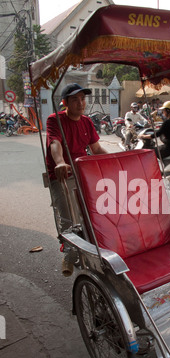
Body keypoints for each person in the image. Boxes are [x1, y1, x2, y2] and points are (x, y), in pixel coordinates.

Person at [46, 83, 107, 276]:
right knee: (67, 216)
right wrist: (60, 162)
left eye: (82, 99)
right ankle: (69, 254)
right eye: (75, 99)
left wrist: (115, 161)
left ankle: (92, 249)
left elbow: (96, 149)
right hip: (61, 174)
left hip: (83, 173)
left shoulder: (87, 121)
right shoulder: (55, 119)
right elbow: (55, 143)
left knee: (90, 214)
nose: (80, 103)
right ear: (65, 102)